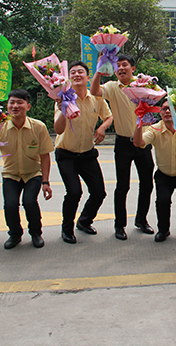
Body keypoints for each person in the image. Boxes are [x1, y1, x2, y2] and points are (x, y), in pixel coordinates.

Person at [90, 53, 155, 240]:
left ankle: (141, 220)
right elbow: (94, 92)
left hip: (143, 142)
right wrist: (99, 71)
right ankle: (120, 225)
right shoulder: (112, 86)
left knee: (147, 184)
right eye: (117, 65)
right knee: (122, 186)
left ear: (132, 68)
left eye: (124, 64)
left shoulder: (144, 84)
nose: (120, 68)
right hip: (123, 143)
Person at [54, 61, 113, 244]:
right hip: (66, 154)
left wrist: (102, 128)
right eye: (73, 72)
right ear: (69, 78)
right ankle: (67, 229)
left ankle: (84, 221)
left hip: (87, 153)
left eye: (81, 72)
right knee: (74, 192)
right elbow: (58, 129)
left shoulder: (96, 98)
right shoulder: (63, 98)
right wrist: (64, 109)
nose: (77, 74)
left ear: (88, 78)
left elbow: (109, 116)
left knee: (99, 192)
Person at [133, 99, 176, 242]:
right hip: (164, 174)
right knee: (162, 201)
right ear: (160, 112)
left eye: (170, 108)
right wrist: (139, 123)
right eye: (163, 109)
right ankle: (163, 230)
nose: (167, 111)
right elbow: (138, 143)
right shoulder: (154, 129)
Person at [0, 89, 54, 249]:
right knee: (10, 205)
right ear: (7, 106)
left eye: (20, 102)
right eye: (12, 103)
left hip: (32, 174)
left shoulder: (38, 127)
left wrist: (45, 181)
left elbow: (45, 156)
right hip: (11, 174)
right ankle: (15, 234)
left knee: (29, 202)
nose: (15, 106)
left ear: (28, 106)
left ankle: (36, 233)